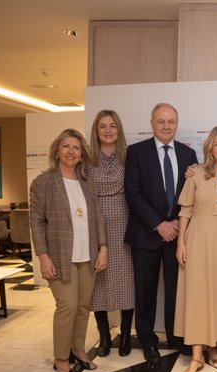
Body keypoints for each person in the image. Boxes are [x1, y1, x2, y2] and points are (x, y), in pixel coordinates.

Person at [30, 128, 108, 372]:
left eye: (76, 148)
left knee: (84, 306)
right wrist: (43, 256)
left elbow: (97, 218)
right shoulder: (43, 183)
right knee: (68, 306)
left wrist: (103, 248)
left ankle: (78, 349)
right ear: (57, 151)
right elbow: (36, 222)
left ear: (81, 154)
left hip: (88, 254)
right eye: (66, 147)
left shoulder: (87, 183)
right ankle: (61, 358)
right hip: (60, 255)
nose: (71, 152)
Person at [124, 103, 198, 366]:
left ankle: (176, 337)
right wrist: (159, 224)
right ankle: (147, 341)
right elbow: (133, 193)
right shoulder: (136, 152)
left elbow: (194, 193)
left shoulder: (188, 154)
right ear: (152, 122)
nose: (166, 126)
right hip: (146, 235)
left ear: (177, 123)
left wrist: (177, 223)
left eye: (171, 122)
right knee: (145, 291)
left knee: (176, 292)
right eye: (161, 121)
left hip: (178, 236)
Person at [175, 127, 217, 372]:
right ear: (209, 149)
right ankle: (196, 356)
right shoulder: (196, 174)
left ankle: (213, 345)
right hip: (197, 240)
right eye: (216, 144)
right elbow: (185, 210)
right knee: (197, 295)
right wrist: (180, 243)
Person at [87, 109, 134, 357]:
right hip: (96, 226)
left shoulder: (129, 156)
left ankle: (125, 336)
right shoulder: (86, 159)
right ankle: (104, 337)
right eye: (103, 126)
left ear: (119, 130)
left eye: (112, 126)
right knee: (99, 284)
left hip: (125, 224)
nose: (108, 130)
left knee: (126, 282)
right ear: (96, 130)